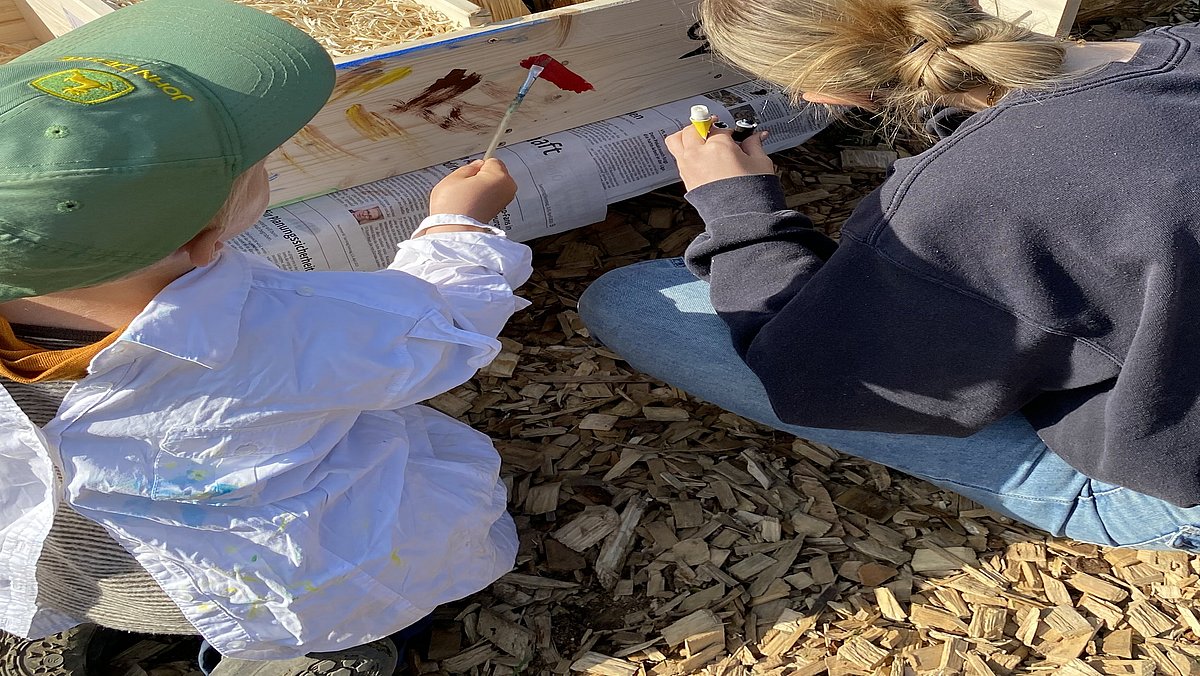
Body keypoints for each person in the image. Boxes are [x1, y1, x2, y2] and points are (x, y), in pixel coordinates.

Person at [0, 0, 531, 674]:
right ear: (202, 239)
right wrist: (460, 230)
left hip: (98, 581)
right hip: (282, 581)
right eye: (255, 165)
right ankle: (349, 643)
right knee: (410, 524)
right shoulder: (282, 327)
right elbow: (441, 327)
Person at [579, 0, 1200, 553]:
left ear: (823, 92)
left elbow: (821, 379)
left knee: (633, 302)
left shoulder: (965, 202)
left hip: (1174, 489)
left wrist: (737, 207)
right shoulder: (1184, 47)